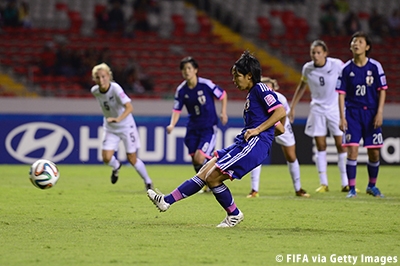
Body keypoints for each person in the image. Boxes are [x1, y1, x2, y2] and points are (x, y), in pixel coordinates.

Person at [147, 51, 286, 227]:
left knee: (213, 177)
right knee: (205, 171)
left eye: (237, 76)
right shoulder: (252, 94)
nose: (234, 80)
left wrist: (259, 133)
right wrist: (266, 131)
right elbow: (279, 128)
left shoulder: (261, 88)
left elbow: (280, 112)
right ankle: (166, 201)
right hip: (245, 142)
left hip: (253, 144)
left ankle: (234, 214)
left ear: (249, 76)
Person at [289, 40, 349, 193]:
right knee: (320, 145)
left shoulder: (337, 64)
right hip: (317, 109)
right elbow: (302, 86)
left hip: (335, 109)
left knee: (340, 145)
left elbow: (349, 77)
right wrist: (292, 107)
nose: (315, 56)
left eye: (318, 53)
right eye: (313, 53)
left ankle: (345, 183)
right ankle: (324, 183)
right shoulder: (307, 68)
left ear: (325, 53)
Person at [336, 31, 387, 198]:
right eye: (353, 41)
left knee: (374, 153)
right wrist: (342, 117)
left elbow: (382, 91)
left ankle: (372, 186)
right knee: (352, 151)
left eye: (359, 41)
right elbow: (341, 94)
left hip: (372, 113)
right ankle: (351, 188)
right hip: (352, 114)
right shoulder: (345, 69)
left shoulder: (375, 67)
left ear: (367, 46)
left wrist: (379, 112)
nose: (356, 44)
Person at [166, 57, 228, 192]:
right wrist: (172, 124)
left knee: (200, 157)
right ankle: (207, 182)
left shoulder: (206, 84)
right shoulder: (181, 90)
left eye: (189, 68)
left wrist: (223, 112)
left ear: (195, 70)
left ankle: (213, 179)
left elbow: (222, 95)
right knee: (195, 160)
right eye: (184, 69)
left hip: (208, 127)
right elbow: (176, 109)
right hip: (192, 128)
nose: (186, 71)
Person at [91, 63, 153, 190]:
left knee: (132, 158)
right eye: (98, 77)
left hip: (126, 126)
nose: (101, 80)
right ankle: (116, 166)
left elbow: (130, 107)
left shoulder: (115, 89)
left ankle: (148, 181)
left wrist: (118, 119)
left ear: (109, 76)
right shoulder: (95, 91)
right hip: (110, 128)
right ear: (94, 79)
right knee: (106, 158)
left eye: (103, 76)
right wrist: (112, 120)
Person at [247, 77, 309, 198]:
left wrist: (279, 129)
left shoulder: (281, 99)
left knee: (291, 156)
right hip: (263, 126)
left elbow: (283, 115)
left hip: (281, 125)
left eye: (270, 88)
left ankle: (298, 189)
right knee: (257, 155)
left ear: (274, 89)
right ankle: (254, 190)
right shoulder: (257, 98)